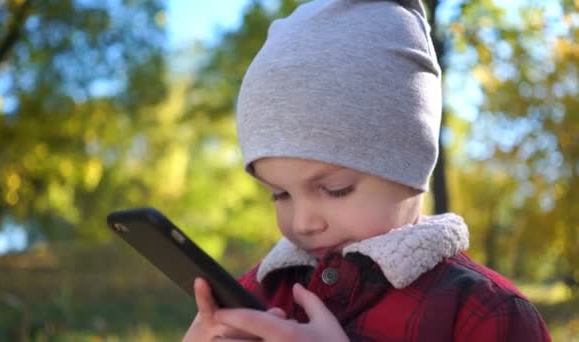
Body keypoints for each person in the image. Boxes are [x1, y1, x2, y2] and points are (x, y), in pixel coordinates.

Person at [183, 0, 552, 340]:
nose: (303, 223)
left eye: (336, 188)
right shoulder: (257, 294)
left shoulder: (487, 314)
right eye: (280, 194)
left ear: (412, 161)